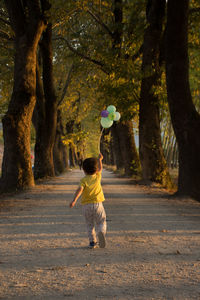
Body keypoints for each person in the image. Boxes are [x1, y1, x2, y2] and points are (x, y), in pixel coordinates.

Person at [69, 153, 106, 249]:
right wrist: (100, 160)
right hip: (98, 205)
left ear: (84, 170)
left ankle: (92, 242)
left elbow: (79, 190)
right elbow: (100, 169)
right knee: (101, 221)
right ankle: (101, 232)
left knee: (89, 224)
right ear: (96, 169)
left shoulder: (83, 180)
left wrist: (74, 200)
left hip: (86, 206)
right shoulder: (97, 176)